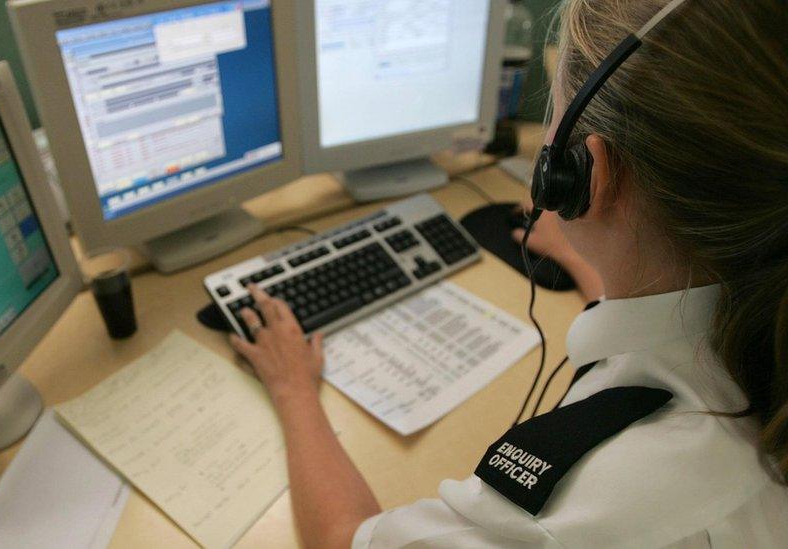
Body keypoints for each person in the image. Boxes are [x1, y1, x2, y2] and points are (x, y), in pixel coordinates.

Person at [228, 0, 788, 546]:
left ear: (583, 176)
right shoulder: (755, 316)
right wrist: (580, 258)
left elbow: (341, 539)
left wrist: (293, 387)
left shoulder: (574, 513)